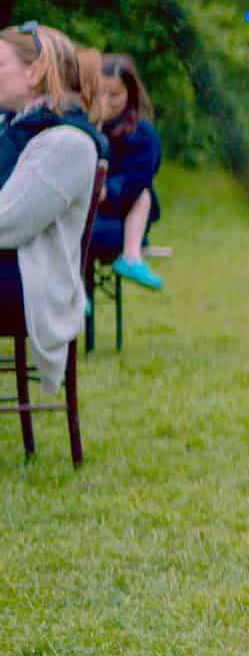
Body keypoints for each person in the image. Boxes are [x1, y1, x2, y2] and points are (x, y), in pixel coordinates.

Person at [0, 22, 109, 390]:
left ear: (35, 72)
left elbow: (7, 223)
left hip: (31, 286)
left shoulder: (66, 141)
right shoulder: (12, 128)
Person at [89, 52, 164, 291]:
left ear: (131, 94)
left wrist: (105, 193)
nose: (105, 102)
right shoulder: (84, 124)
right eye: (100, 93)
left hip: (118, 214)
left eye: (114, 95)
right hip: (83, 208)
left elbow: (135, 184)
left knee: (144, 195)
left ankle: (131, 257)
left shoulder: (143, 135)